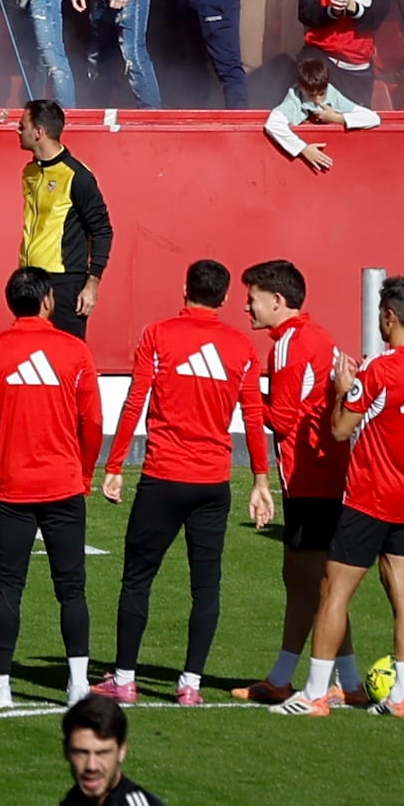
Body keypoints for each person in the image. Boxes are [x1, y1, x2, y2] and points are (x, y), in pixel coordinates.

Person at [99, 256, 271, 706]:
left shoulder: (159, 335)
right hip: (214, 482)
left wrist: (114, 465)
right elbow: (254, 417)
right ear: (227, 298)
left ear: (185, 290)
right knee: (206, 584)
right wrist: (260, 479)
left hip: (163, 476)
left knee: (138, 578)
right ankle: (190, 685)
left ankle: (125, 679)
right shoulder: (240, 347)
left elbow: (135, 401)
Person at [283, 276, 404, 718]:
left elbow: (339, 430)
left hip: (370, 496)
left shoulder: (380, 369)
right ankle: (401, 698)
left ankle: (315, 694)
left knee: (333, 591)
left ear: (389, 317)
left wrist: (342, 390)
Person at [0, 265, 102, 708]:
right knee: (72, 587)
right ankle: (79, 685)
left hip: (12, 488)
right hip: (63, 485)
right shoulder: (75, 351)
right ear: (48, 301)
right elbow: (93, 422)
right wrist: (83, 474)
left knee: (9, 585)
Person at [243, 258, 356, 704]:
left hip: (310, 474)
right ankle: (305, 677)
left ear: (277, 300)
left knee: (318, 582)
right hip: (324, 470)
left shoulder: (290, 342)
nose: (247, 309)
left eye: (252, 300)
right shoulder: (316, 336)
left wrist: (247, 395)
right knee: (302, 576)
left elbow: (284, 419)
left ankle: (324, 683)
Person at [33, 691, 190, 806]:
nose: (91, 766)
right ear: (66, 751)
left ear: (122, 751)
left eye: (103, 753)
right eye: (81, 753)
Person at [12, 100, 112, 336]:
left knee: (66, 354)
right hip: (30, 280)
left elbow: (102, 230)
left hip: (64, 281)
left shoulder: (77, 176)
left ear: (39, 132)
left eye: (21, 126)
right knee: (31, 352)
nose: (17, 131)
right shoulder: (30, 172)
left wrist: (92, 284)